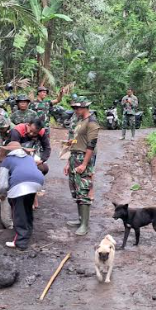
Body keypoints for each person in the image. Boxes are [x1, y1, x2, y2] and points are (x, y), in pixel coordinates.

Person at [0, 142, 45, 251]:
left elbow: (3, 183)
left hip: (20, 184)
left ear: (8, 151)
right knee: (27, 208)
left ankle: (20, 242)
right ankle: (28, 232)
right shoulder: (29, 158)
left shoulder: (6, 161)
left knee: (18, 212)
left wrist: (3, 194)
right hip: (37, 182)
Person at [63, 96, 99, 236]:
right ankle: (80, 219)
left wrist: (84, 164)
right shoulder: (79, 121)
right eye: (74, 108)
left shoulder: (92, 122)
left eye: (78, 108)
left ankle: (85, 224)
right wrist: (68, 162)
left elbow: (91, 145)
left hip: (84, 157)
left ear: (85, 107)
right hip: (74, 157)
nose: (76, 110)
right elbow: (74, 142)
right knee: (76, 190)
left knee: (83, 190)